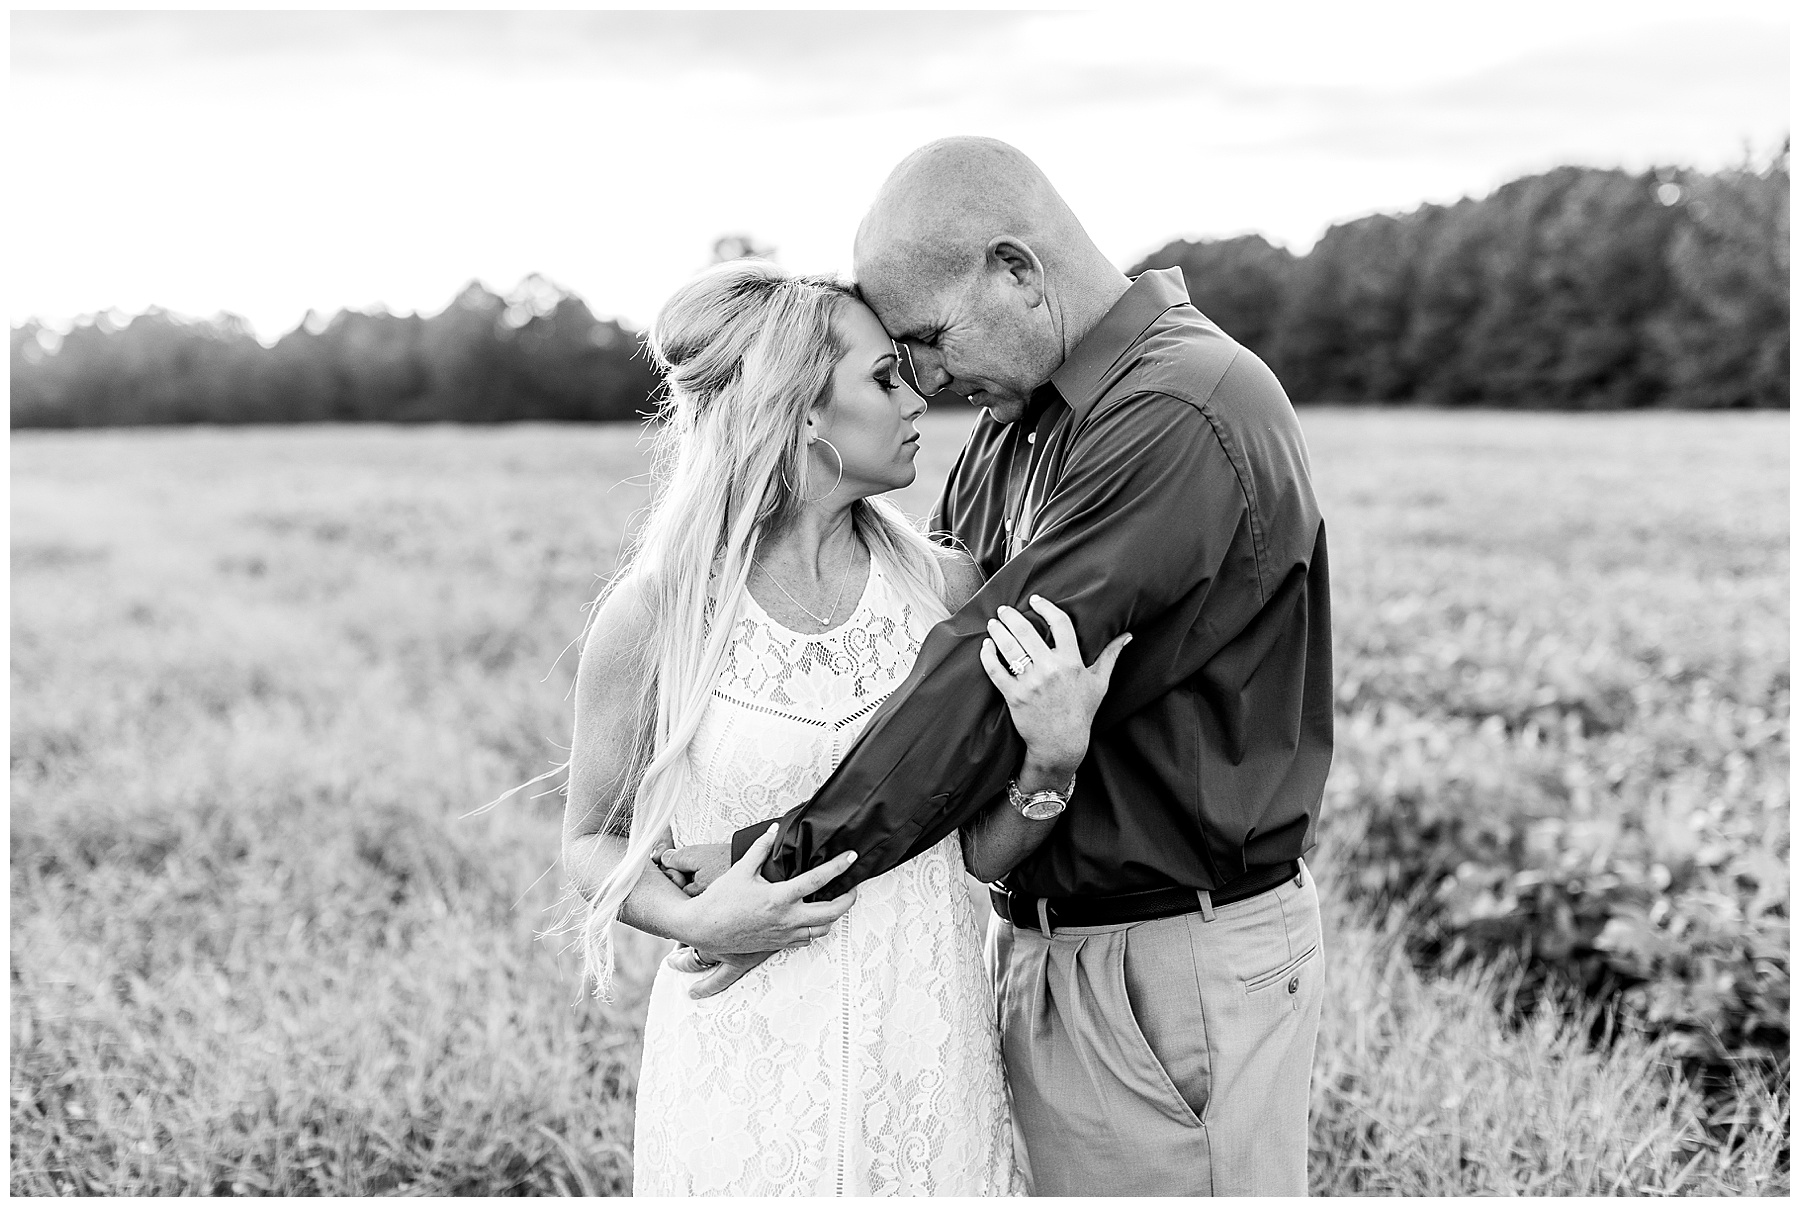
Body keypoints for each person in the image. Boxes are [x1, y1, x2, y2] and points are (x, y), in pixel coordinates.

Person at [665, 137, 1335, 1196]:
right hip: (1039, 941)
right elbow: (945, 646)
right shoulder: (1018, 424)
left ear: (1017, 270)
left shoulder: (1178, 406)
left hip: (1169, 957)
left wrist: (782, 860)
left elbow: (972, 675)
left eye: (924, 341)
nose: (923, 382)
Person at [559, 258, 1129, 1195]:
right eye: (883, 377)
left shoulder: (945, 589)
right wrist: (700, 917)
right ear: (803, 411)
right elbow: (589, 840)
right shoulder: (661, 610)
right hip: (741, 1073)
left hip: (927, 1065)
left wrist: (1054, 757)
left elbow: (978, 853)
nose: (920, 400)